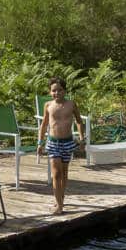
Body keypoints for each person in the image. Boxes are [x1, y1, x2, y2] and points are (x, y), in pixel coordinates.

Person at [36, 77, 83, 215]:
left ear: (65, 90)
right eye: (53, 90)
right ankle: (59, 205)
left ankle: (60, 198)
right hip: (53, 142)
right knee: (56, 174)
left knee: (64, 173)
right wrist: (40, 142)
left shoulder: (71, 104)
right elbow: (44, 125)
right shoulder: (48, 105)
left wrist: (81, 138)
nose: (56, 93)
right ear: (50, 92)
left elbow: (79, 122)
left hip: (67, 142)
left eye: (59, 90)